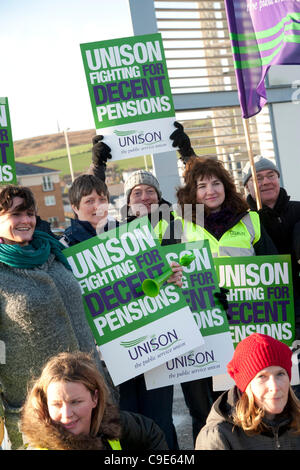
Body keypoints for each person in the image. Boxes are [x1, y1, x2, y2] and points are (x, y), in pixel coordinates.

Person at [171, 156, 278, 445]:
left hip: (244, 323)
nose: (210, 191)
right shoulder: (175, 223)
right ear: (191, 192)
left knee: (247, 399)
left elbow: (273, 270)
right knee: (204, 408)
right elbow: (158, 266)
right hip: (199, 327)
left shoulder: (250, 219)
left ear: (226, 187)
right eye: (201, 185)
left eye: (216, 183)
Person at [0, 185, 115, 449]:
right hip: (38, 408)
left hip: (90, 398)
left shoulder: (53, 254)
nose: (26, 221)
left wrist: (165, 277)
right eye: (15, 215)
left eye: (30, 213)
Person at [20, 351, 168, 450]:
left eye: (76, 402)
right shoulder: (40, 445)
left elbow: (150, 432)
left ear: (95, 398)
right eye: (56, 404)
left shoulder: (112, 423)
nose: (66, 414)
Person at [195, 333, 300, 450]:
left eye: (280, 374)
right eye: (262, 376)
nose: (274, 386)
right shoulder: (218, 436)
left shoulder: (296, 422)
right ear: (246, 387)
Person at [243, 155, 300, 338]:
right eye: (258, 178)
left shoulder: (298, 210)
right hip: (269, 309)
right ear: (247, 186)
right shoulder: (243, 222)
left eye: (271, 175)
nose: (266, 181)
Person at [60, 174, 118, 247]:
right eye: (89, 201)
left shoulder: (124, 231)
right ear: (75, 208)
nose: (98, 206)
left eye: (102, 199)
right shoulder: (66, 245)